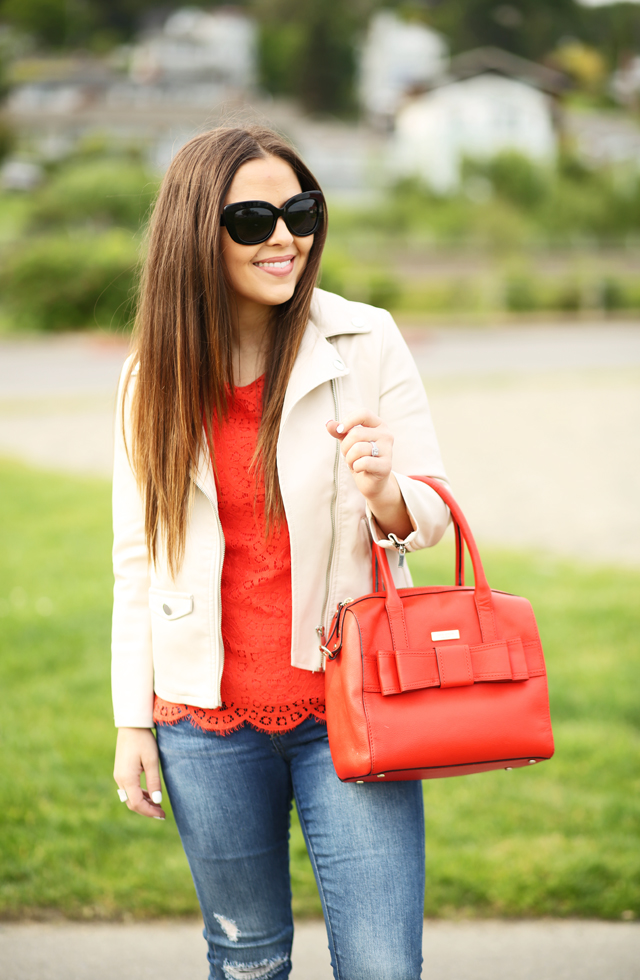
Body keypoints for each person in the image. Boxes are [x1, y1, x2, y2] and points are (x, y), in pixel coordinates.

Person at [111, 126, 449, 980]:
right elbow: (137, 560)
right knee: (247, 956)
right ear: (196, 231)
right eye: (253, 218)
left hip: (351, 706)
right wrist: (132, 720)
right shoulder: (152, 375)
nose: (284, 236)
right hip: (203, 722)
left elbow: (433, 509)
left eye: (298, 210)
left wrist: (383, 492)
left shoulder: (365, 339)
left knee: (381, 964)